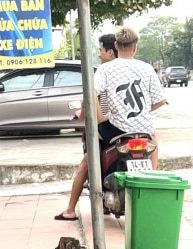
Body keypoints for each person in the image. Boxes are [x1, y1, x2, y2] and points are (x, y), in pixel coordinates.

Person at [55, 34, 120, 222]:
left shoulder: (103, 71)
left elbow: (91, 98)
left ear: (110, 51)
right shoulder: (134, 68)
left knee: (85, 165)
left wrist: (81, 114)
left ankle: (70, 209)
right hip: (133, 127)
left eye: (100, 50)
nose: (99, 55)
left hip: (107, 128)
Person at [96, 26, 167, 169]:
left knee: (94, 145)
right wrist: (146, 110)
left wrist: (101, 118)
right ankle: (152, 174)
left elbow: (92, 95)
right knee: (153, 137)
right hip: (144, 129)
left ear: (116, 46)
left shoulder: (105, 69)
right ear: (135, 47)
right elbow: (161, 100)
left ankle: (97, 178)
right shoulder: (147, 68)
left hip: (116, 127)